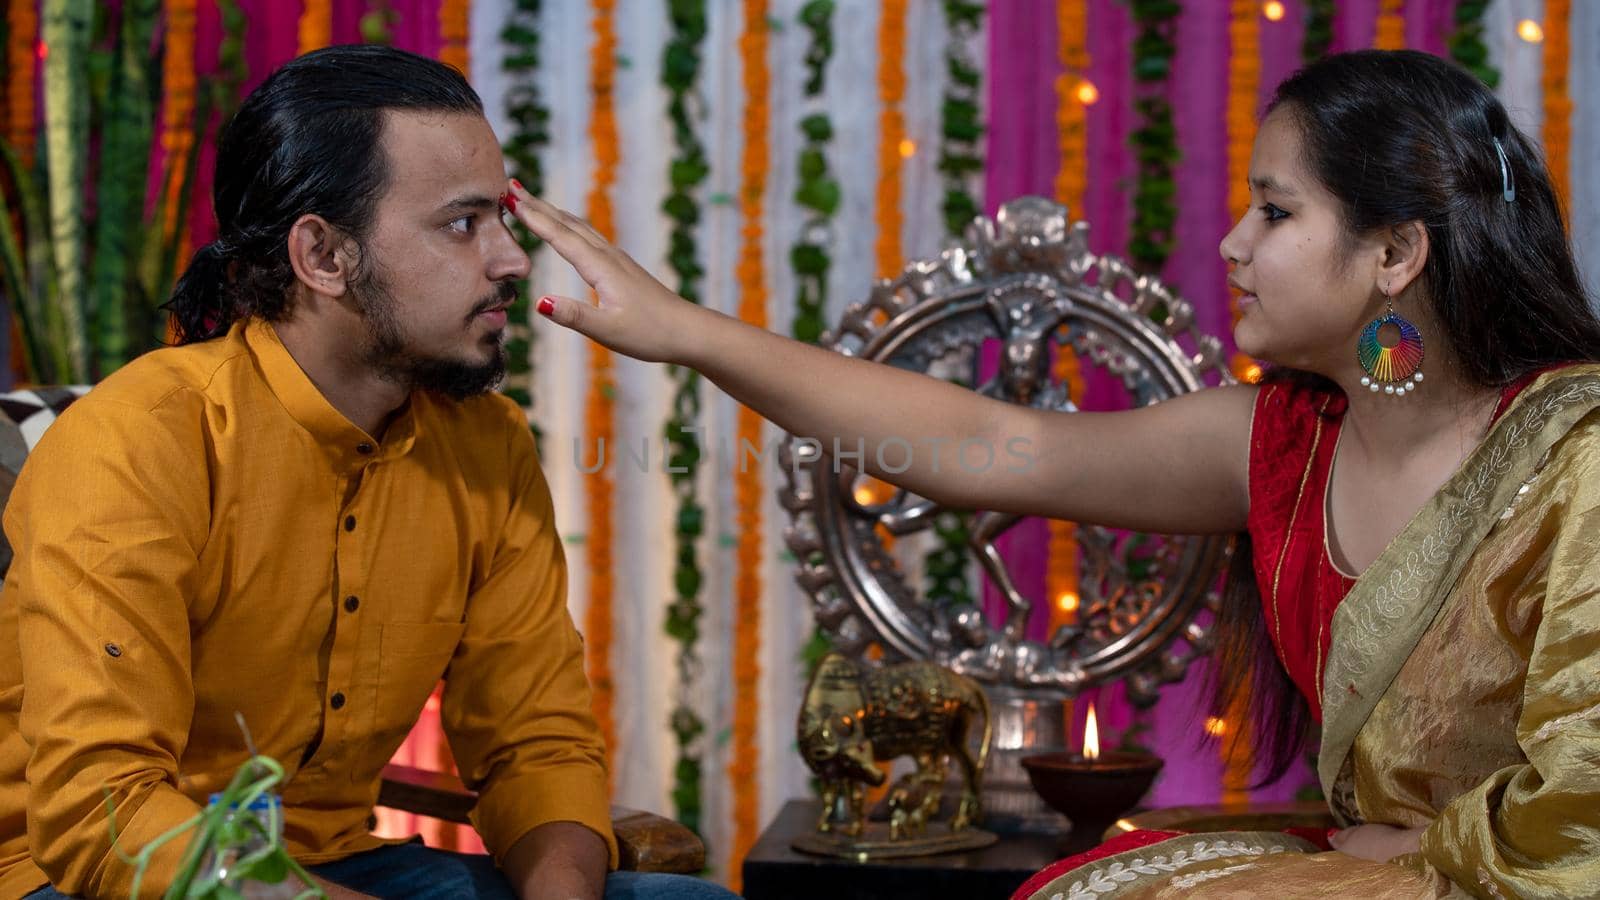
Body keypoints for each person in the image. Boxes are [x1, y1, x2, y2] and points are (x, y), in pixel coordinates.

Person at [513, 49, 1600, 897]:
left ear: (1395, 254)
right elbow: (996, 449)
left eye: (1273, 212)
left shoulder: (1574, 456)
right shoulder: (1277, 445)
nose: (1230, 243)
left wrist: (1428, 853)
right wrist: (685, 332)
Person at [0, 46, 733, 900]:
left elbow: (536, 742)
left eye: (501, 219)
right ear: (322, 256)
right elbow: (105, 813)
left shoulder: (486, 445)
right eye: (463, 225)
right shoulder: (139, 442)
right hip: (106, 878)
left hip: (343, 865)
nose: (512, 259)